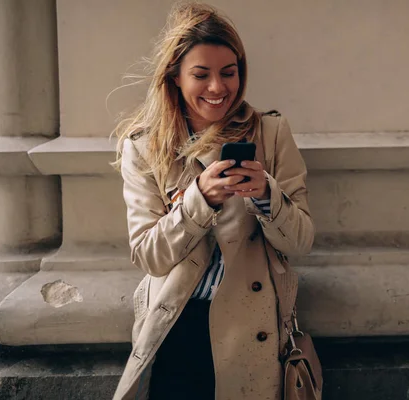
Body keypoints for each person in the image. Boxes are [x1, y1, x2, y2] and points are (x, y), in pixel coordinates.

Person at [112, 3, 314, 399]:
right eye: (201, 75)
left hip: (252, 328)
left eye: (229, 72)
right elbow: (149, 256)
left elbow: (301, 241)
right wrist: (198, 199)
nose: (218, 88)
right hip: (177, 327)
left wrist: (267, 195)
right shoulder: (145, 147)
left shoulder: (270, 133)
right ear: (175, 77)